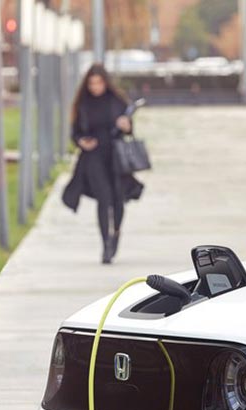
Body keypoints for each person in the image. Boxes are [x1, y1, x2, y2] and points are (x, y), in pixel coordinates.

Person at [62, 64, 144, 264]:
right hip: (93, 157)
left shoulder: (116, 101)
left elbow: (128, 129)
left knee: (117, 198)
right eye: (91, 83)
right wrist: (81, 141)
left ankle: (115, 232)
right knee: (104, 198)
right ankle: (106, 244)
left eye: (98, 83)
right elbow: (75, 132)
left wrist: (126, 126)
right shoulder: (83, 104)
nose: (95, 87)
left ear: (105, 83)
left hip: (114, 156)